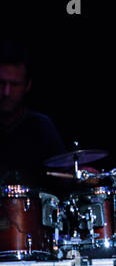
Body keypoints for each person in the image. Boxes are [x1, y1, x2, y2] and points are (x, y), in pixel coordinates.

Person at [0, 41, 67, 189]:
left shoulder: (41, 126)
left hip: (34, 211)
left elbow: (63, 177)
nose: (6, 92)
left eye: (14, 84)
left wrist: (79, 176)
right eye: (1, 83)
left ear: (27, 85)